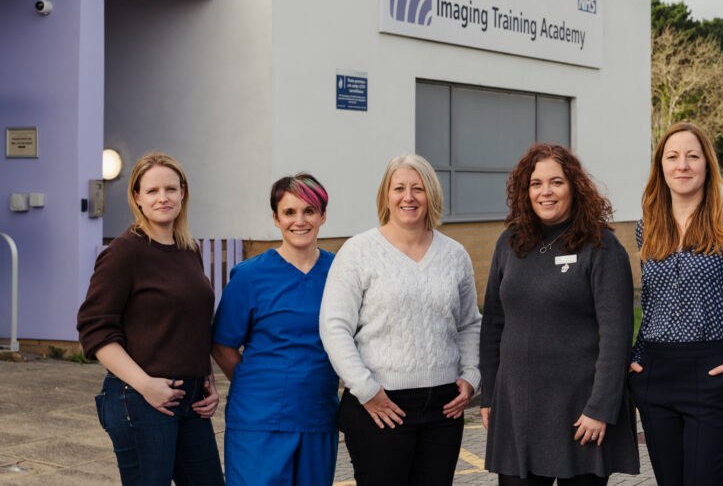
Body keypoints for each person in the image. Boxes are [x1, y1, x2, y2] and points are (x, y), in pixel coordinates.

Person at [480, 143, 639, 486]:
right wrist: (490, 394)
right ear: (525, 191)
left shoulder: (601, 247)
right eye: (536, 183)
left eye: (556, 182)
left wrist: (600, 408)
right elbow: (493, 324)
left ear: (575, 187)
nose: (545, 192)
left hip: (580, 413)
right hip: (518, 408)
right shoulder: (509, 243)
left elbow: (616, 336)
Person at [319, 154, 481, 485]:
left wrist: (472, 375)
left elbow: (469, 323)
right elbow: (334, 326)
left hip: (443, 407)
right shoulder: (358, 251)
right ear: (386, 196)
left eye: (418, 188)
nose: (408, 197)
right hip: (380, 403)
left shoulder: (454, 255)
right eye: (399, 188)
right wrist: (365, 389)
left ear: (431, 195)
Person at [629, 122, 723, 485]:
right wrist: (636, 358)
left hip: (713, 373)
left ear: (707, 164)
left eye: (693, 156)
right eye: (673, 157)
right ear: (661, 166)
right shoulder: (648, 226)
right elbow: (652, 305)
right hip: (656, 376)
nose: (683, 165)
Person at [77, 152, 224, 485]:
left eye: (170, 189)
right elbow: (95, 329)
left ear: (182, 193)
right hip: (140, 398)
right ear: (137, 198)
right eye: (153, 191)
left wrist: (206, 376)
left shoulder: (189, 249)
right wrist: (146, 386)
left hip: (190, 399)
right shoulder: (124, 252)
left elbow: (192, 323)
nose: (163, 198)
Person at [211, 173, 339, 485]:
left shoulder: (341, 273)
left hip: (317, 415)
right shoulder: (250, 276)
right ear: (276, 218)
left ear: (323, 215)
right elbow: (222, 344)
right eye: (289, 212)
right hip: (258, 420)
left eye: (309, 211)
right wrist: (254, 384)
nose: (300, 221)